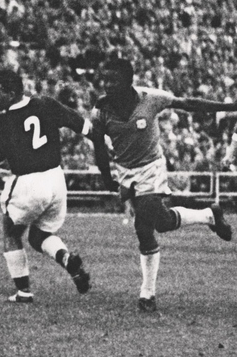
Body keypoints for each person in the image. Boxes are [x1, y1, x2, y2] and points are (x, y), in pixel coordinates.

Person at [91, 58, 235, 313]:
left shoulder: (151, 98)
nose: (107, 85)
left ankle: (146, 296)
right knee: (151, 227)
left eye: (113, 80)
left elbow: (188, 104)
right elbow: (100, 147)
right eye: (105, 80)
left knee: (147, 216)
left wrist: (230, 105)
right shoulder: (101, 110)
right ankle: (208, 215)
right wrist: (106, 176)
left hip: (151, 167)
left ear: (128, 81)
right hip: (126, 172)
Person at [0, 69, 101, 304]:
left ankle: (23, 291)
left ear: (13, 93)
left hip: (28, 181)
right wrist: (103, 141)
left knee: (10, 231)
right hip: (56, 179)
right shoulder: (46, 104)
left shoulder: (2, 120)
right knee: (39, 236)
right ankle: (66, 258)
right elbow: (82, 125)